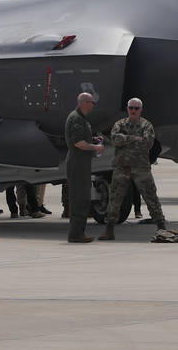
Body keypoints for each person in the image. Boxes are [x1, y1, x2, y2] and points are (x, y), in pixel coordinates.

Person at [100, 98, 166, 240]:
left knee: (151, 197)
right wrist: (133, 138)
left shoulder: (146, 125)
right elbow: (114, 139)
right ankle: (109, 230)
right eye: (131, 108)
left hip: (141, 167)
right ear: (128, 109)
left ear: (140, 110)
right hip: (122, 167)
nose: (133, 110)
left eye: (136, 108)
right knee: (115, 199)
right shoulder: (120, 124)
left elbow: (148, 142)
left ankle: (162, 227)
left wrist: (126, 139)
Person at [64, 91, 104, 243]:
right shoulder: (76, 118)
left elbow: (83, 138)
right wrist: (95, 147)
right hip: (77, 165)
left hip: (82, 165)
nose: (93, 105)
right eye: (91, 102)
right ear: (84, 103)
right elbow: (78, 143)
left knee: (83, 198)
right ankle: (75, 234)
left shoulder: (82, 119)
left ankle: (78, 232)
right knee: (79, 199)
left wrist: (93, 139)